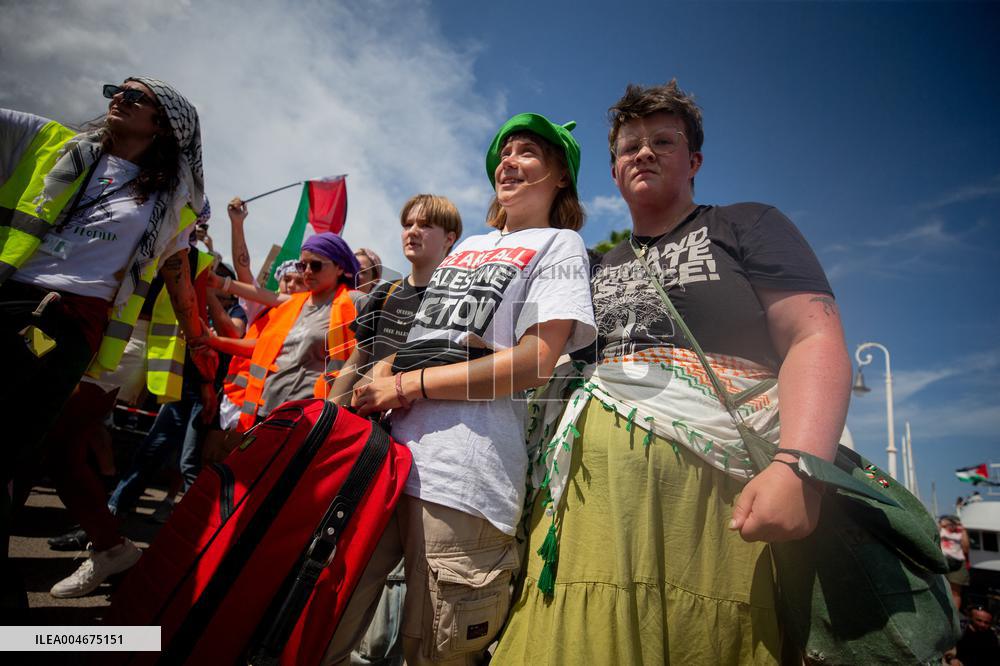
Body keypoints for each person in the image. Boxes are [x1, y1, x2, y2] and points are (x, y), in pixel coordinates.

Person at [493, 81, 851, 665]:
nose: (644, 153)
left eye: (663, 141)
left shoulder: (746, 224)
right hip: (585, 520)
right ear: (612, 172)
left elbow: (814, 337)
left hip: (714, 515)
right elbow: (532, 358)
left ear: (695, 161)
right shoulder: (587, 264)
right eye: (629, 146)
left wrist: (799, 467)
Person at [322, 113, 596, 666]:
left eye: (527, 153)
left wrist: (410, 384)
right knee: (324, 627)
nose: (508, 161)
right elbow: (431, 338)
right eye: (504, 152)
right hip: (390, 460)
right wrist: (383, 373)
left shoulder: (561, 244)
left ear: (561, 176)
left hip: (466, 478)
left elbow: (535, 362)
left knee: (432, 653)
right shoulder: (468, 245)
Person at [0, 77, 215, 616]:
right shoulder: (52, 143)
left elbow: (178, 275)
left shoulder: (172, 202)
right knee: (40, 448)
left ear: (165, 124)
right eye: (116, 88)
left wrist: (200, 343)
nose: (119, 96)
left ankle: (107, 549)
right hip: (12, 297)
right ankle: (106, 549)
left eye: (136, 96)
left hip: (65, 325)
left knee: (42, 444)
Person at [329, 194, 461, 666]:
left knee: (419, 584)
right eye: (408, 222)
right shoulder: (382, 295)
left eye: (426, 225)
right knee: (352, 567)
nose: (413, 230)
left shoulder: (457, 302)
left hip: (427, 453)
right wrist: (331, 419)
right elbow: (354, 360)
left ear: (450, 239)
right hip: (370, 449)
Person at [205, 232, 360, 428]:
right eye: (302, 265)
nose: (308, 271)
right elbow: (262, 295)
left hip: (304, 417)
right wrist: (220, 283)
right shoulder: (295, 303)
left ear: (339, 268)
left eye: (316, 265)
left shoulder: (352, 302)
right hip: (262, 409)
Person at [940, 515, 971, 613]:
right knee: (940, 588)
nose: (951, 524)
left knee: (955, 593)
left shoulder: (960, 532)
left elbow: (966, 548)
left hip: (957, 564)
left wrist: (963, 529)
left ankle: (954, 617)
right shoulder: (941, 530)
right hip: (942, 561)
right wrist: (941, 525)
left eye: (954, 522)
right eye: (950, 522)